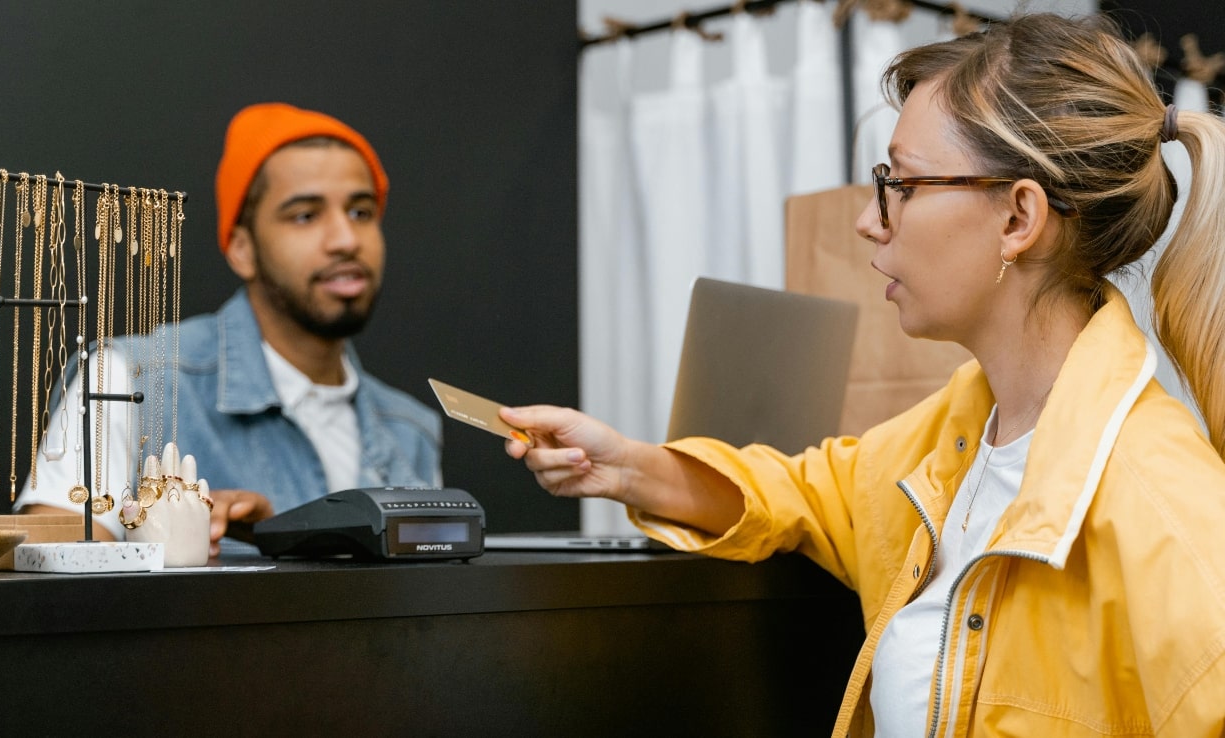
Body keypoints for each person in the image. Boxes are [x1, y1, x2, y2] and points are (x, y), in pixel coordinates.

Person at [503, 13, 1225, 736]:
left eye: (903, 185)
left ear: (1018, 219)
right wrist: (624, 466)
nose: (869, 222)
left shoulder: (1172, 522)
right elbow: (809, 494)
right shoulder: (958, 432)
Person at [16, 102, 442, 556]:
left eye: (361, 212)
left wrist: (284, 540)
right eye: (305, 215)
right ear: (241, 249)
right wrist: (170, 539)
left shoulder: (411, 430)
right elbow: (53, 577)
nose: (345, 239)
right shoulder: (128, 380)